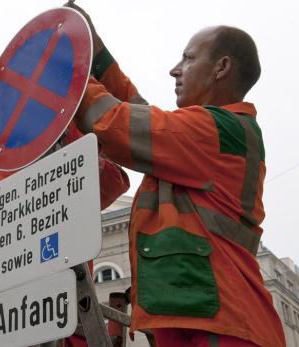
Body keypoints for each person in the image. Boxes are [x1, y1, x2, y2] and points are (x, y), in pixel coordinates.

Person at [67, 2, 285, 346]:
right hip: (199, 317)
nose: (174, 69)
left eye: (188, 58)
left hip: (225, 325)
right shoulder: (202, 136)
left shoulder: (223, 129)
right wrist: (95, 52)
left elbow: (116, 123)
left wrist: (67, 69)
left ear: (221, 67)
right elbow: (139, 114)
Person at [0, 36, 130, 347]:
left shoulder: (54, 111)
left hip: (60, 304)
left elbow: (111, 176)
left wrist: (47, 193)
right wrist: (15, 205)